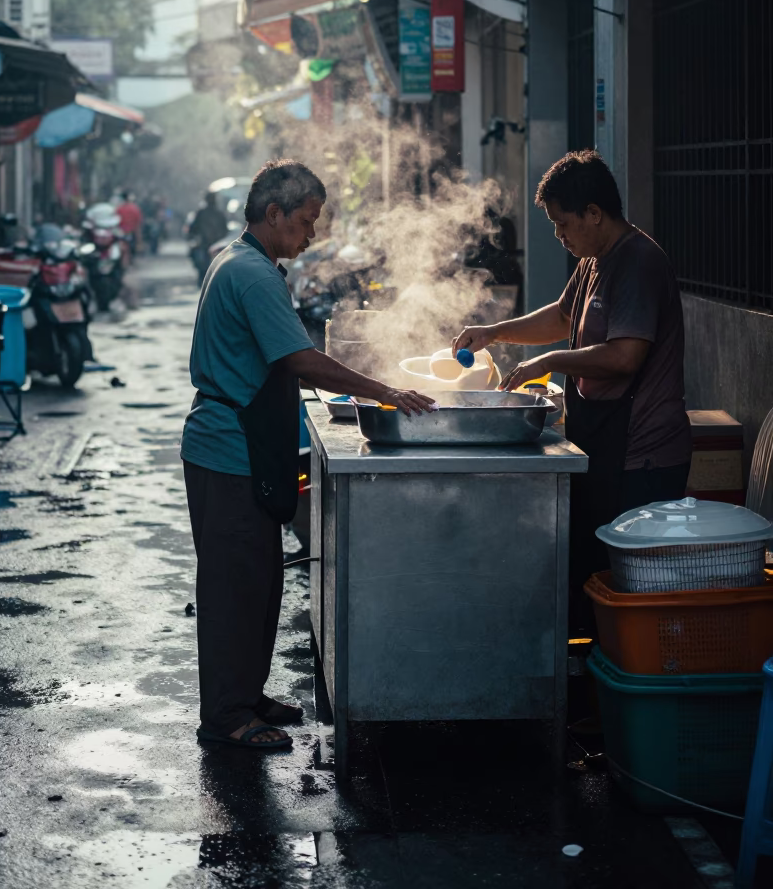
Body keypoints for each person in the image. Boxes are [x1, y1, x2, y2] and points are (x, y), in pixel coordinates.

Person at [180, 159, 433, 752]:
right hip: (226, 451)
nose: (312, 234)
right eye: (306, 221)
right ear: (274, 215)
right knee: (234, 588)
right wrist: (386, 391)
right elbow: (299, 358)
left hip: (240, 448)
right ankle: (225, 716)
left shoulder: (246, 259)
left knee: (263, 579)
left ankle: (246, 693)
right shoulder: (253, 273)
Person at [453, 150, 691, 626]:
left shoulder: (638, 262)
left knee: (626, 585)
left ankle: (615, 681)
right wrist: (495, 333)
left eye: (563, 225)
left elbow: (626, 356)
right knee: (593, 576)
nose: (560, 236)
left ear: (595, 214)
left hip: (642, 455)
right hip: (605, 444)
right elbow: (562, 317)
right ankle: (591, 672)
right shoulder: (593, 260)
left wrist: (547, 361)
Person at [187, 192, 229, 283]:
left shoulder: (202, 213)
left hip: (208, 244)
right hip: (213, 244)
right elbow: (225, 230)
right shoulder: (218, 213)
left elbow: (193, 228)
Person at [116, 190, 143, 257]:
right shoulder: (134, 208)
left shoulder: (119, 209)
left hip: (121, 232)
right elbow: (138, 221)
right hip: (131, 231)